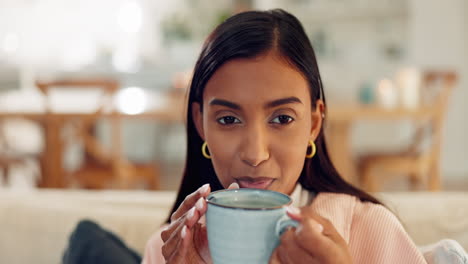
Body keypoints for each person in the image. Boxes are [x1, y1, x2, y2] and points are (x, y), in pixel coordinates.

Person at [142, 9, 427, 264]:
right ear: (200, 123)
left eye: (282, 118)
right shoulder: (168, 249)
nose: (255, 154)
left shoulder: (372, 230)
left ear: (314, 124)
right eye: (228, 119)